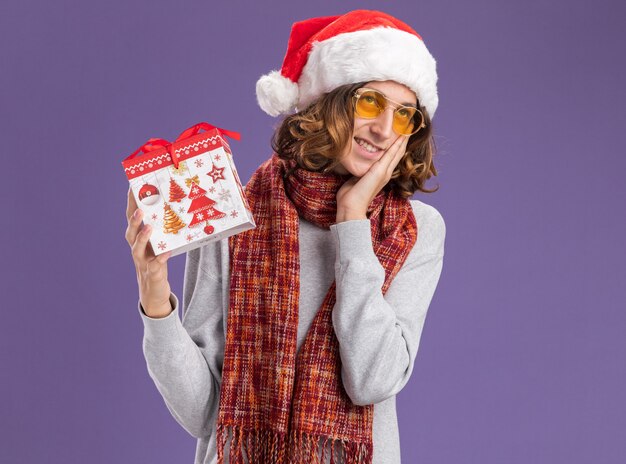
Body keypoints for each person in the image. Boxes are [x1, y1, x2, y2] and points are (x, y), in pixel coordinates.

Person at [125, 9, 445, 464]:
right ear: (331, 102)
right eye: (370, 103)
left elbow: (372, 380)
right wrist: (154, 294)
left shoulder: (415, 230)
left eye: (404, 115)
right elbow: (202, 413)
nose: (382, 128)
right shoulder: (235, 211)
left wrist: (351, 222)